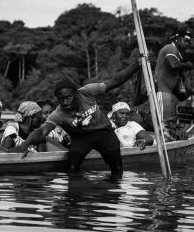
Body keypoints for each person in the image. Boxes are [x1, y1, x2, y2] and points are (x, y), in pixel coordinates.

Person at [10, 57, 142, 180]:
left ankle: (113, 191)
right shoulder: (58, 113)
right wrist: (25, 144)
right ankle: (74, 196)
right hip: (81, 137)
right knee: (71, 168)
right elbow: (42, 131)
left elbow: (114, 81)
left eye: (68, 97)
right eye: (61, 99)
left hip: (104, 133)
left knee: (117, 167)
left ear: (76, 93)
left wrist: (136, 64)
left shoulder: (87, 92)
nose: (65, 102)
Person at [154, 29, 194, 127]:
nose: (187, 44)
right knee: (162, 123)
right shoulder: (170, 48)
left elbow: (184, 81)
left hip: (170, 94)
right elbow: (173, 64)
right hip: (162, 91)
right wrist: (187, 65)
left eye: (189, 42)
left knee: (168, 123)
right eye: (185, 41)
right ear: (177, 40)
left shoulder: (179, 56)